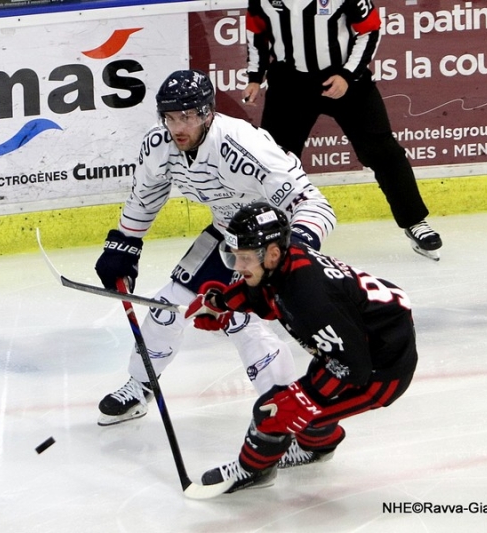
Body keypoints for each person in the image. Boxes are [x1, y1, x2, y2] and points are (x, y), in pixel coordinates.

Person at [93, 70, 337, 433]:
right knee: (166, 306)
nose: (178, 127)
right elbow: (145, 197)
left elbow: (316, 205)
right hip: (227, 234)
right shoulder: (160, 144)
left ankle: (284, 414)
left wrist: (290, 253)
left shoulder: (242, 145)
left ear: (207, 113)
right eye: (170, 117)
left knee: (241, 322)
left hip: (271, 246)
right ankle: (141, 385)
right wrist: (125, 245)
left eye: (187, 117)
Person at [185, 201, 417, 494]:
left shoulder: (309, 297)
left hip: (379, 371)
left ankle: (253, 471)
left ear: (272, 254)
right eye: (234, 256)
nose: (238, 267)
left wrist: (301, 400)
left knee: (274, 412)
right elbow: (266, 294)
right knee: (307, 406)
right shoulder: (286, 260)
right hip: (356, 343)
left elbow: (352, 366)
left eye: (244, 258)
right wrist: (221, 303)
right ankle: (318, 447)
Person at [242, 0, 443, 260]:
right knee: (275, 162)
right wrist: (255, 77)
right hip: (290, 85)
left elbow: (370, 29)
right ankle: (269, 231)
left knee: (383, 151)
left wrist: (348, 75)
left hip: (347, 81)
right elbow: (256, 31)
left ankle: (414, 221)